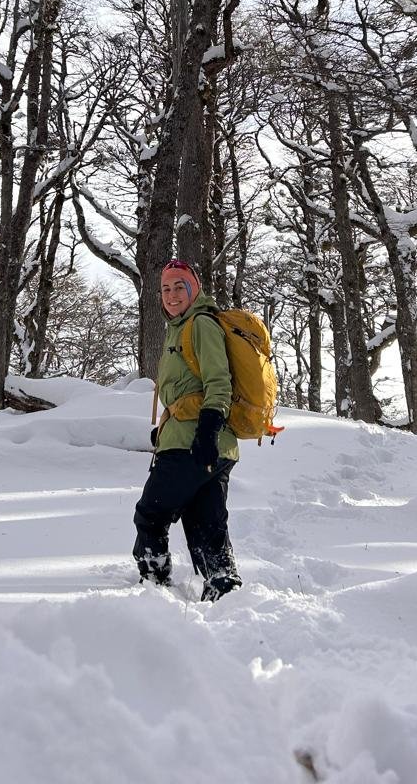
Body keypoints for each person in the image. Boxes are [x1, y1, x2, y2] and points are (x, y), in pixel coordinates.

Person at [133, 258, 242, 602]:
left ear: (194, 289)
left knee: (151, 514)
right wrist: (166, 432)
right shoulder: (178, 329)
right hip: (209, 445)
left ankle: (153, 588)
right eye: (166, 288)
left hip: (197, 443)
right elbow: (183, 393)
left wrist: (206, 430)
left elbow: (218, 382)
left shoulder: (200, 324)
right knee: (206, 523)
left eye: (180, 286)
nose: (172, 294)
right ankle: (224, 589)